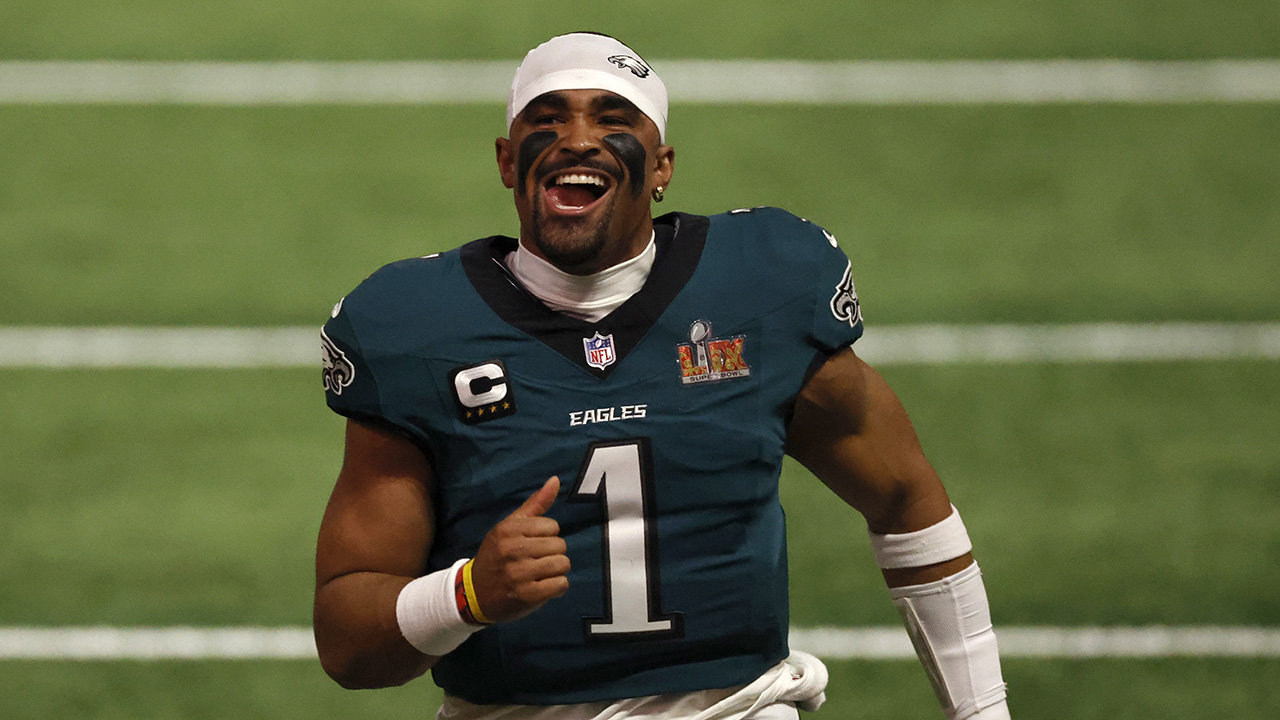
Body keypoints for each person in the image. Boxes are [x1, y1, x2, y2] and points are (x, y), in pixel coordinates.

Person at [314, 32, 1011, 720]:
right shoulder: (418, 328)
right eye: (547, 119)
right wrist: (466, 596)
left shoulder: (759, 289)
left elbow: (905, 498)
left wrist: (982, 713)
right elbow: (347, 643)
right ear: (505, 161)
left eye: (612, 120)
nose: (577, 140)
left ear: (660, 167)